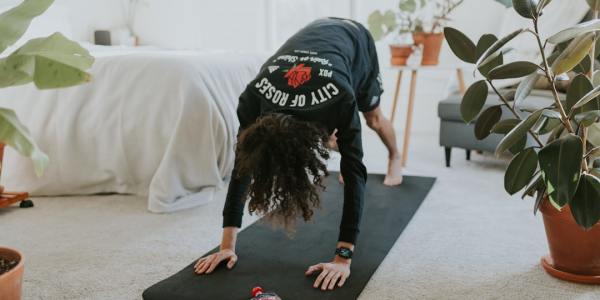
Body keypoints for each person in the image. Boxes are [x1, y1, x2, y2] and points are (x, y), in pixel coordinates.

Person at [193, 17, 403, 291]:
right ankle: (331, 139)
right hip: (314, 40)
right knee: (328, 136)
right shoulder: (253, 97)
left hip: (353, 39)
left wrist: (343, 258)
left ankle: (395, 156)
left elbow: (355, 172)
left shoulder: (341, 98)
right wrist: (227, 245)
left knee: (373, 119)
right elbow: (242, 168)